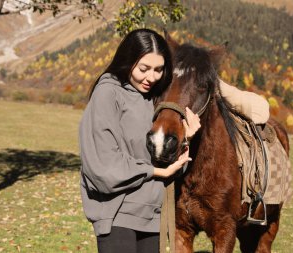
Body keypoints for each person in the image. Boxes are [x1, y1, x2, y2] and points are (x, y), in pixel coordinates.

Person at [78, 28, 201, 253]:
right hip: (118, 214)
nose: (151, 77)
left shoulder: (153, 98)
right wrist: (155, 172)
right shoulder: (108, 93)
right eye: (144, 69)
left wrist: (186, 139)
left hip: (151, 215)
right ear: (128, 61)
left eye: (159, 70)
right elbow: (103, 165)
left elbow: (162, 161)